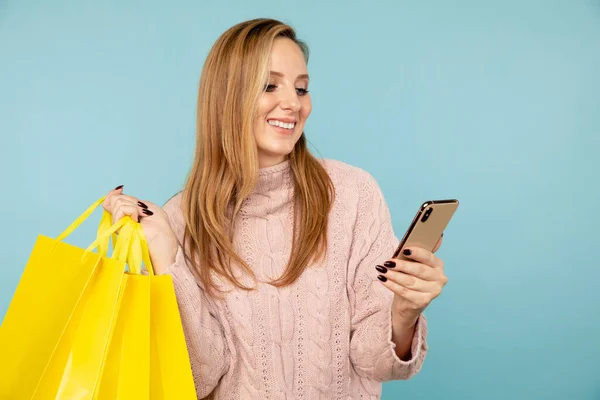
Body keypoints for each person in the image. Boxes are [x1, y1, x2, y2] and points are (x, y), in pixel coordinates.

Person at [102, 18, 448, 399]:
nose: (293, 103)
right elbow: (196, 380)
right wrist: (167, 254)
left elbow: (374, 361)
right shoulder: (180, 219)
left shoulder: (352, 194)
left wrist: (404, 312)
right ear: (227, 96)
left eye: (302, 88)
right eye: (270, 85)